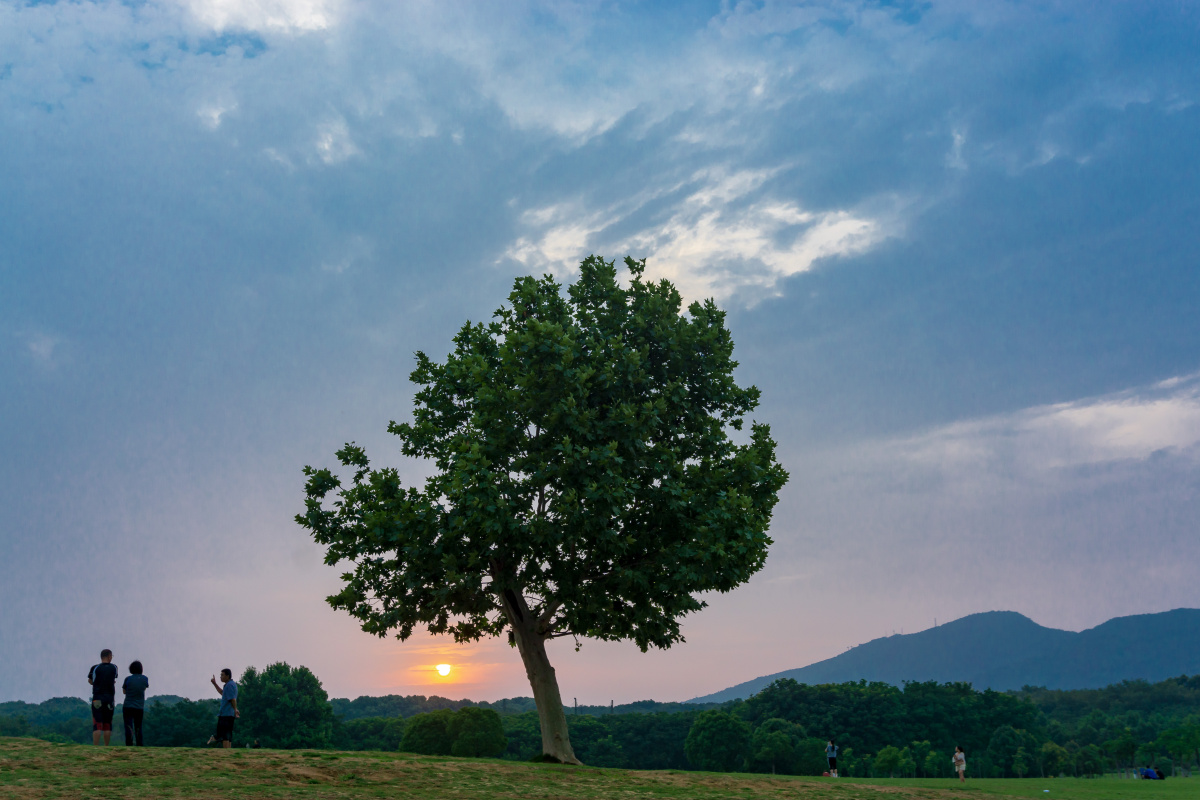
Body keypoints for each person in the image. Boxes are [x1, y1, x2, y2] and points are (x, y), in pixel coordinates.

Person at [87, 649, 118, 746]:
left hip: (97, 697)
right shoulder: (114, 667)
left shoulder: (95, 668)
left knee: (97, 724)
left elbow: (90, 680)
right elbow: (113, 679)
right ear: (109, 656)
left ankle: (95, 747)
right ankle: (106, 746)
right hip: (109, 698)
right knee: (107, 724)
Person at [206, 668, 239, 748]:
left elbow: (232, 699)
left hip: (226, 714)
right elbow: (222, 693)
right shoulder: (229, 685)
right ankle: (228, 752)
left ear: (227, 676)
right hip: (228, 713)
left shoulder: (230, 685)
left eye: (222, 675)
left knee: (224, 735)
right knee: (227, 734)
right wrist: (214, 684)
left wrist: (235, 709)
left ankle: (215, 741)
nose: (220, 677)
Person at [121, 660, 149, 746]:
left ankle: (129, 744)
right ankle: (139, 744)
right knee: (138, 726)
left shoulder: (128, 679)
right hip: (139, 706)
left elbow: (124, 691)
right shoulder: (145, 679)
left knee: (129, 726)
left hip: (128, 705)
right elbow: (144, 688)